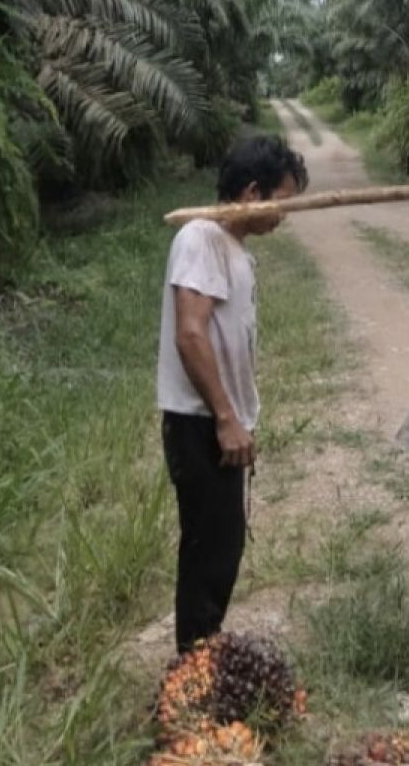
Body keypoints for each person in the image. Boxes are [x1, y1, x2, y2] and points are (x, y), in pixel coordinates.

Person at [157, 135, 308, 654]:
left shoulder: (232, 248)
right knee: (209, 554)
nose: (285, 215)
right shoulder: (201, 238)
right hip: (200, 421)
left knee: (222, 548)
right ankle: (191, 682)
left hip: (217, 420)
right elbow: (191, 334)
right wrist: (225, 418)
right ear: (252, 193)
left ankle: (201, 663)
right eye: (283, 200)